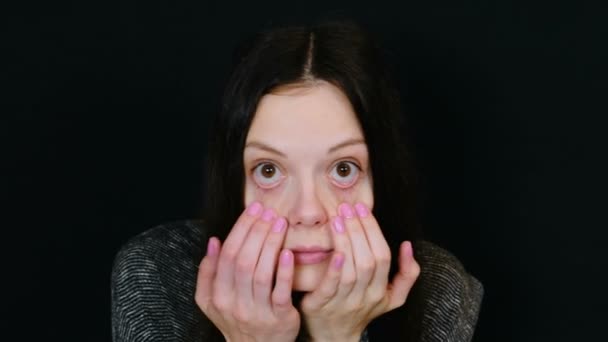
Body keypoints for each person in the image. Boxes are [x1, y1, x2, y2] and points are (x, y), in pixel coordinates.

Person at [111, 19, 483, 342]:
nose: (307, 212)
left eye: (343, 169)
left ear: (380, 177)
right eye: (269, 170)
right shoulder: (158, 272)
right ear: (235, 181)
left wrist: (339, 337)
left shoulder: (436, 287)